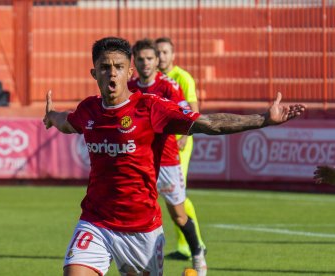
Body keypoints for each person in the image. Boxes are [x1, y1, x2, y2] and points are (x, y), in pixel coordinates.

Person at [43, 36, 306, 276]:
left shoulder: (150, 108)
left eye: (119, 67)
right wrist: (51, 116)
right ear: (94, 73)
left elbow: (209, 123)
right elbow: (67, 122)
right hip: (96, 221)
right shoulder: (88, 109)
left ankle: (197, 254)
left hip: (141, 228)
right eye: (104, 67)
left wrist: (262, 120)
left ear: (129, 72)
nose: (112, 73)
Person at [128, 38, 207, 274]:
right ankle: (141, 264)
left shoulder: (169, 86)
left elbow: (186, 114)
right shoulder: (129, 87)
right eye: (140, 59)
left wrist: (182, 133)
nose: (145, 63)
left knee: (179, 216)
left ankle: (198, 256)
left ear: (156, 60)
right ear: (134, 61)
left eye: (149, 58)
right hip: (140, 161)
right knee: (137, 213)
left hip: (167, 160)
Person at [155, 36, 206, 260]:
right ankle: (185, 245)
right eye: (158, 53)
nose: (161, 57)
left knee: (178, 196)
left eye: (165, 52)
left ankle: (196, 245)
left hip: (179, 142)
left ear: (173, 55)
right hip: (159, 144)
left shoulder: (182, 77)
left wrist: (185, 134)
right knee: (166, 196)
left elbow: (193, 109)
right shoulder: (152, 79)